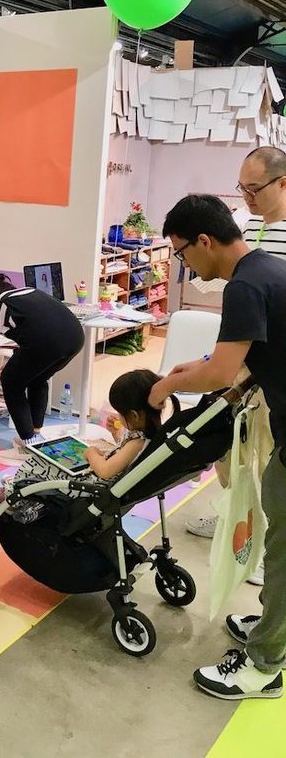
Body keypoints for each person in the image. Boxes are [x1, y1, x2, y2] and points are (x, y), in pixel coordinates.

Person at [150, 193, 286, 701]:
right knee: (279, 538)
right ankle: (275, 623)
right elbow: (248, 362)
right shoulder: (266, 268)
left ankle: (264, 665)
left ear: (204, 241)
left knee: (283, 547)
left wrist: (165, 387)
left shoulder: (246, 286)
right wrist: (208, 377)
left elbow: (223, 368)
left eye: (182, 252)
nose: (183, 263)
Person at [186, 148, 286, 579]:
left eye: (255, 188)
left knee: (267, 456)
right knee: (233, 448)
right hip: (248, 356)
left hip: (269, 360)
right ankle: (236, 518)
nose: (246, 197)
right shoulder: (252, 232)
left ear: (283, 183)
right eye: (241, 188)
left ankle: (266, 541)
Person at [0, 369, 178, 513]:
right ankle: (19, 483)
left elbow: (105, 472)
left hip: (92, 489)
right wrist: (116, 436)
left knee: (39, 461)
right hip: (100, 483)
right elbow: (125, 458)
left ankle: (14, 496)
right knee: (50, 461)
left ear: (134, 415)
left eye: (121, 414)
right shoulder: (151, 436)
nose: (119, 417)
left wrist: (91, 453)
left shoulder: (137, 442)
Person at [0, 279, 84, 448]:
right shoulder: (29, 292)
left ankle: (28, 441)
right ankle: (36, 433)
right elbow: (36, 326)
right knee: (37, 379)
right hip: (76, 337)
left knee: (10, 381)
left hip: (47, 343)